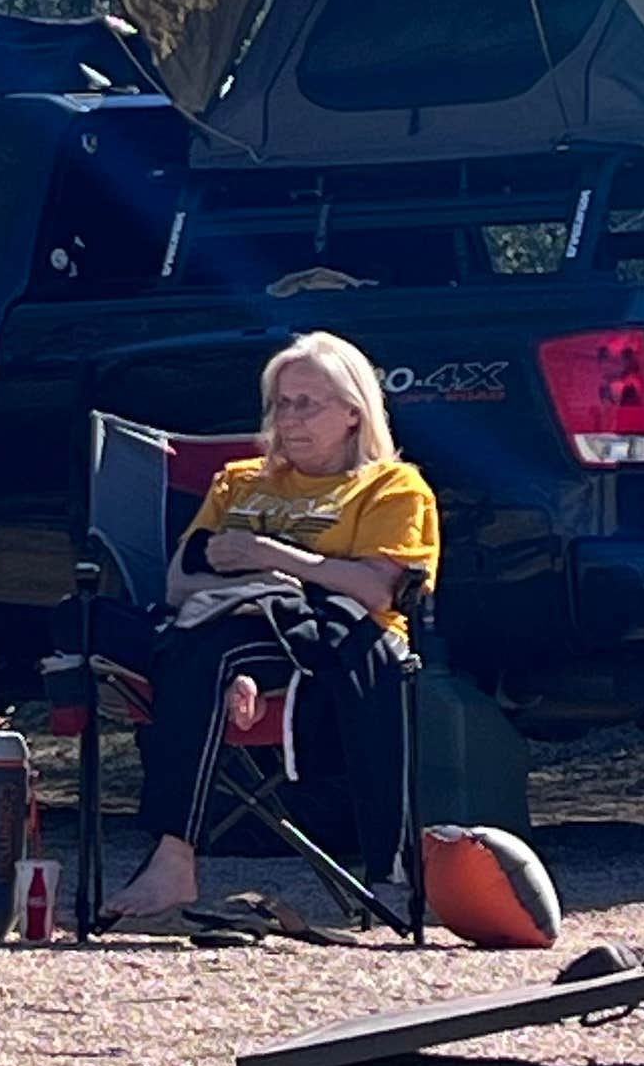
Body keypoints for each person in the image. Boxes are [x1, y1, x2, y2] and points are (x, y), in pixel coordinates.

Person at [109, 332, 440, 924]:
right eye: (282, 404)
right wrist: (249, 584)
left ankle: (174, 854)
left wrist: (275, 557)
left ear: (352, 413)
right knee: (97, 624)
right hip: (223, 623)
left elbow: (376, 591)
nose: (290, 419)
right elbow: (179, 583)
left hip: (329, 640)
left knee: (209, 653)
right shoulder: (240, 481)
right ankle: (233, 695)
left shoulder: (392, 487)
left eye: (307, 403)